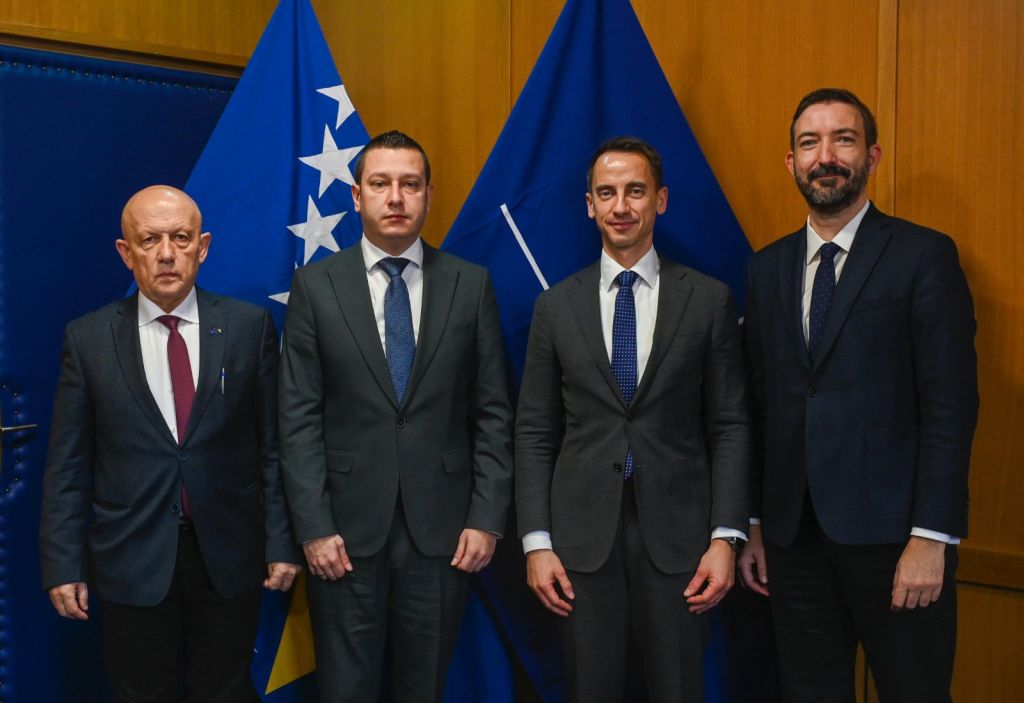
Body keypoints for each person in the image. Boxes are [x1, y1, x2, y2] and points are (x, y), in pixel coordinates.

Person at [740, 88, 978, 702]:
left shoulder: (923, 256)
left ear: (872, 156)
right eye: (809, 143)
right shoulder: (766, 269)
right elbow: (761, 406)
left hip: (897, 542)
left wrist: (932, 536)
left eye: (842, 140)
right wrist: (757, 524)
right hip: (795, 543)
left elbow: (950, 408)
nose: (826, 156)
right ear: (791, 162)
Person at [39, 185, 301, 702]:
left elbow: (273, 449)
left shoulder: (248, 328)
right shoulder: (88, 339)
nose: (166, 254)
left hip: (229, 556)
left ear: (202, 247)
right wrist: (62, 564)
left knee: (226, 692)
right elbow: (68, 465)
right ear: (126, 252)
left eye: (181, 238)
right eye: (150, 240)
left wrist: (281, 542)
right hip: (131, 556)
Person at [278, 130, 513, 703]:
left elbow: (492, 412)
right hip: (342, 535)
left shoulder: (470, 284)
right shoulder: (315, 286)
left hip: (444, 533)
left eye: (410, 184)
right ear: (356, 196)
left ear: (429, 195)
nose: (395, 197)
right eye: (380, 183)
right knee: (345, 691)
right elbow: (298, 418)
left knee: (423, 689)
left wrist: (487, 518)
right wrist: (313, 526)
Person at [515, 136, 750, 702]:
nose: (620, 206)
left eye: (635, 191)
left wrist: (726, 538)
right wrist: (536, 543)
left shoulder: (708, 300)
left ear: (660, 200)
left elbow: (730, 425)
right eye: (607, 193)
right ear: (589, 205)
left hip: (681, 541)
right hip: (579, 543)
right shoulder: (555, 307)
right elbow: (535, 431)